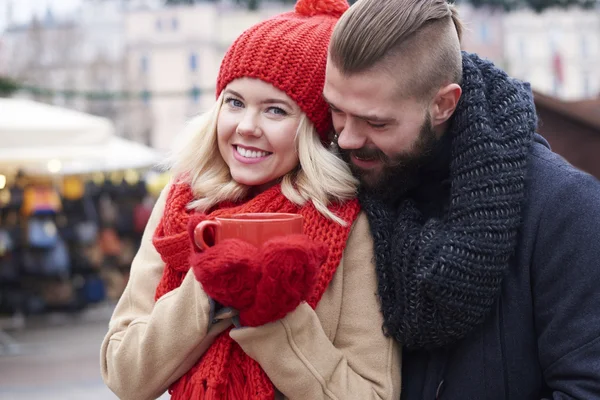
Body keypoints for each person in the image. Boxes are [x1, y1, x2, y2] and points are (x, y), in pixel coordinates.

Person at [100, 0, 401, 399]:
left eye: (275, 110)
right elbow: (123, 375)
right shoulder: (182, 203)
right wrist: (206, 292)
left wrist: (276, 318)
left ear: (315, 128)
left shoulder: (349, 223)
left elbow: (374, 394)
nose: (246, 127)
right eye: (235, 101)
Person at [324, 0, 600, 398]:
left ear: (443, 104)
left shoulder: (566, 211)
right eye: (336, 110)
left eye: (375, 122)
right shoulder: (331, 188)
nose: (346, 138)